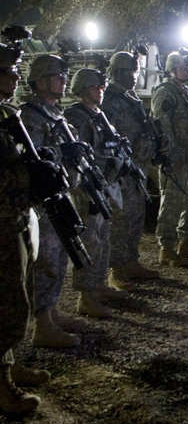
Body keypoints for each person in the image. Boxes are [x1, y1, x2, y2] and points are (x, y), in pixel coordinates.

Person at [0, 42, 60, 414]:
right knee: (4, 300)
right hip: (2, 218)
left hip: (13, 216)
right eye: (7, 70)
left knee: (13, 295)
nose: (14, 76)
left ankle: (9, 364)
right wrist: (28, 174)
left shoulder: (6, 113)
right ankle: (2, 385)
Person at [20, 54, 83, 347]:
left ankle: (52, 310)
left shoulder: (55, 113)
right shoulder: (30, 116)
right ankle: (42, 324)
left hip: (60, 195)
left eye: (63, 75)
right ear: (41, 80)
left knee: (59, 257)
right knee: (44, 259)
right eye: (58, 76)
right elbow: (33, 163)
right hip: (43, 201)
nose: (63, 80)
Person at [65, 68, 127, 318]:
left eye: (101, 87)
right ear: (81, 89)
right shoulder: (76, 116)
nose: (100, 91)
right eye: (94, 87)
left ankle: (99, 285)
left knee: (103, 238)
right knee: (89, 240)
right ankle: (86, 296)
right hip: (87, 186)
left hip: (103, 182)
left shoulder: (98, 114)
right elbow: (81, 154)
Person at [101, 51, 160, 288]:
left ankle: (131, 261)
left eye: (135, 71)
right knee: (120, 219)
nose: (133, 76)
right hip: (120, 168)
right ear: (117, 73)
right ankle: (117, 269)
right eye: (128, 72)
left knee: (136, 215)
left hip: (137, 166)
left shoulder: (131, 98)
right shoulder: (110, 99)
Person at [151, 49, 188, 266]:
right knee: (173, 198)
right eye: (183, 67)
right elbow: (161, 124)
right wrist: (171, 152)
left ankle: (185, 240)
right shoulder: (165, 92)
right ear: (172, 69)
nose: (187, 70)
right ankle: (166, 247)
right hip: (176, 153)